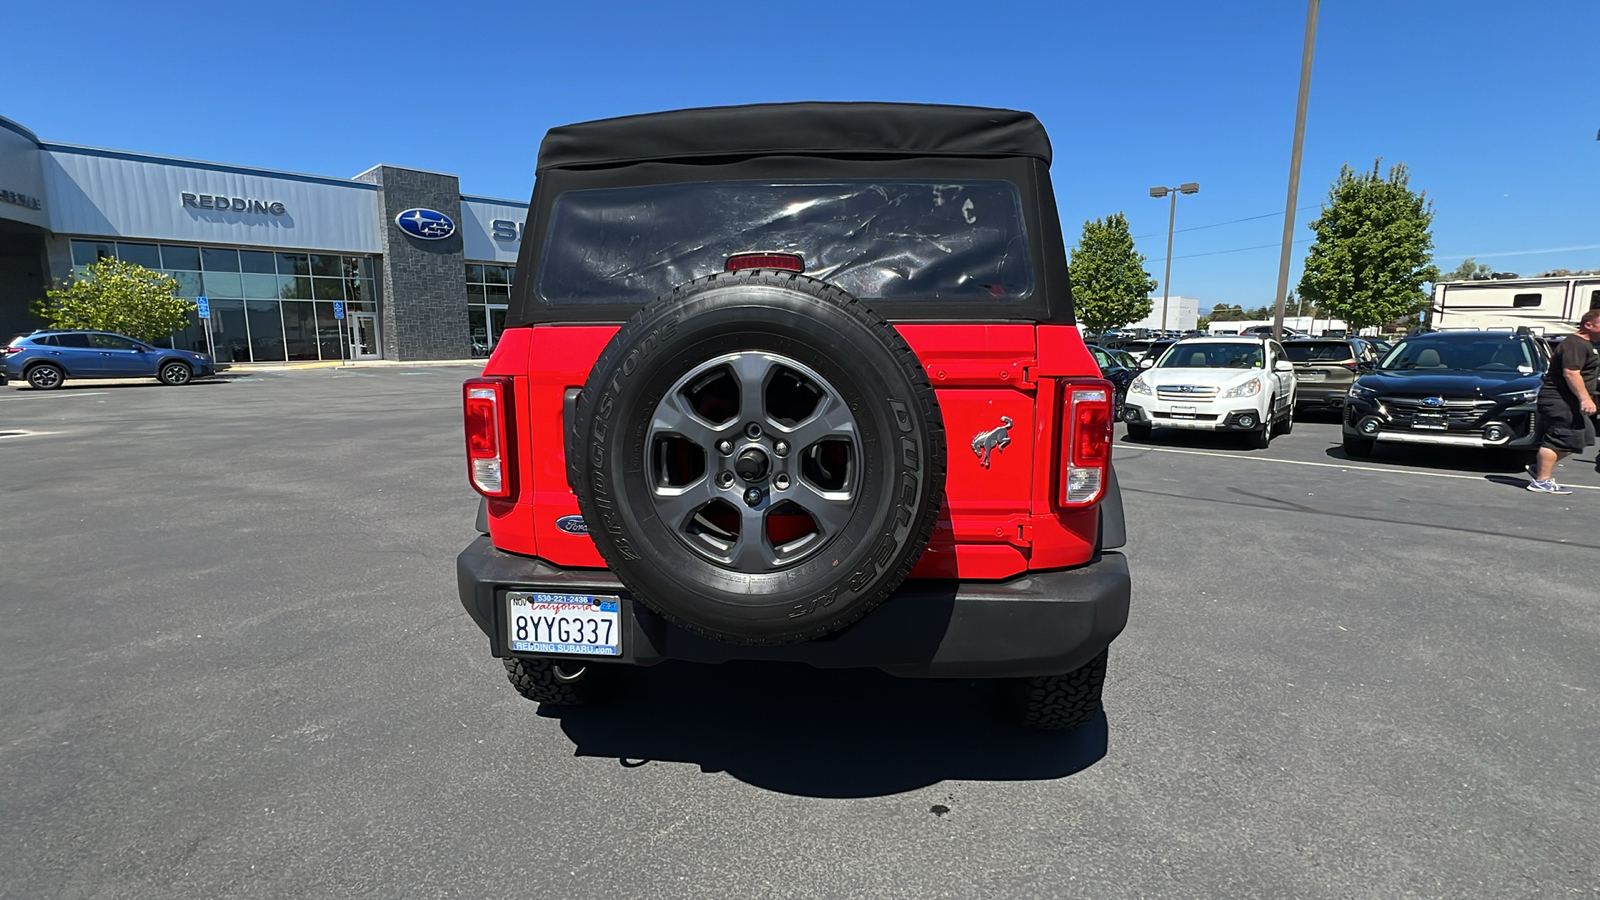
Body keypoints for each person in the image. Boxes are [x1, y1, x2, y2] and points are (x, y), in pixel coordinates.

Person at [1528, 308, 1600, 494]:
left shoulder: (1587, 344)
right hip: (1560, 400)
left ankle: (1540, 467)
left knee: (1582, 437)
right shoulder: (1575, 344)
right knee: (1559, 439)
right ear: (1588, 324)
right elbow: (1571, 372)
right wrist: (1585, 399)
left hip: (1570, 402)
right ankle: (1541, 481)